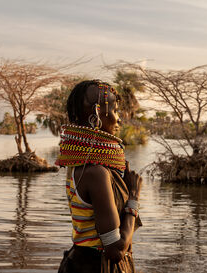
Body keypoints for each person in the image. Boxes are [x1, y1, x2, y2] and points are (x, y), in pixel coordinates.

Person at [56, 80, 143, 273]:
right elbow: (115, 250)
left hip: (80, 262)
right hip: (97, 266)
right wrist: (134, 198)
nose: (119, 119)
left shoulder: (80, 164)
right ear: (96, 117)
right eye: (115, 111)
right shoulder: (95, 173)